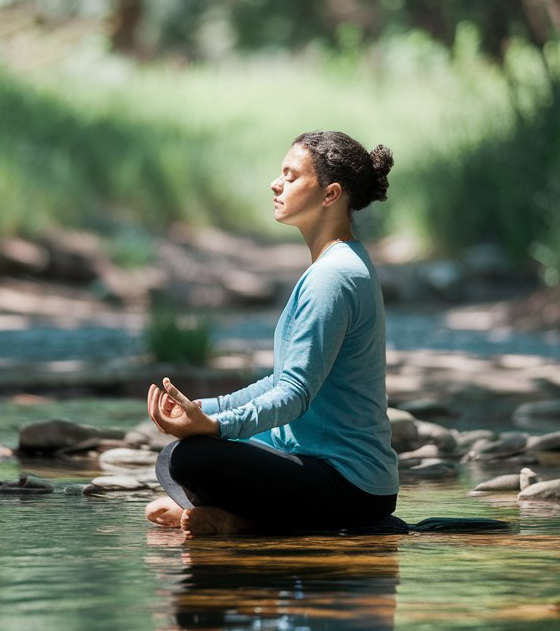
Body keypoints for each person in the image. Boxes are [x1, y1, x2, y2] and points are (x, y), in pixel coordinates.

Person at [145, 130, 399, 538]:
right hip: (324, 470)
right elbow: (281, 381)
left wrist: (215, 427)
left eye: (291, 175)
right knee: (175, 455)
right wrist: (204, 409)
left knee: (190, 461)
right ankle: (235, 517)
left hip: (352, 485)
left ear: (330, 194)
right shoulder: (336, 266)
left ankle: (245, 522)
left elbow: (294, 395)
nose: (275, 184)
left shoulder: (333, 278)